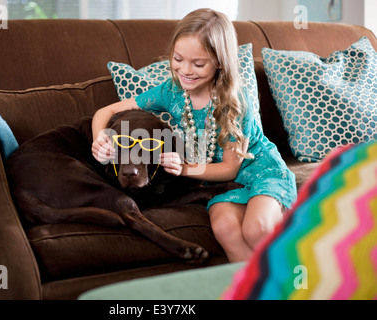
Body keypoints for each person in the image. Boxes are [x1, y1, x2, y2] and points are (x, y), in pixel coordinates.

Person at [91, 8, 297, 262]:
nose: (185, 70)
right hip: (214, 182)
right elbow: (107, 111)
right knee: (225, 229)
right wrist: (100, 138)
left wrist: (183, 169)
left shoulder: (232, 102)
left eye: (198, 63)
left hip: (259, 171)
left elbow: (230, 169)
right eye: (178, 59)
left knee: (257, 228)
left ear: (220, 61)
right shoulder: (171, 91)